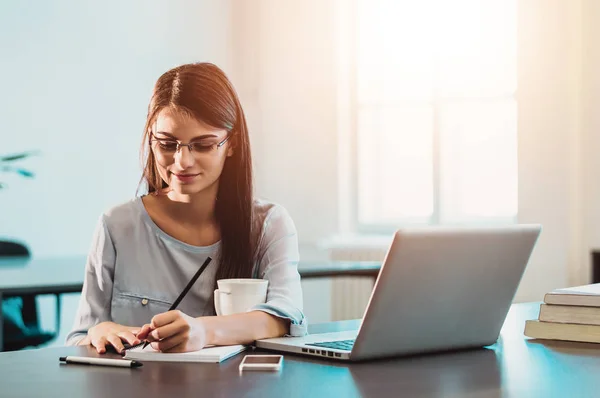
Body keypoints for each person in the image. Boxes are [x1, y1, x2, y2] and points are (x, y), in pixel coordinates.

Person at [65, 62, 306, 354]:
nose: (182, 162)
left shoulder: (269, 224)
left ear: (232, 144)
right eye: (167, 144)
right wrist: (98, 331)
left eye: (203, 145)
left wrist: (203, 330)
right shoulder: (116, 225)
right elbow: (79, 338)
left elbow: (285, 316)